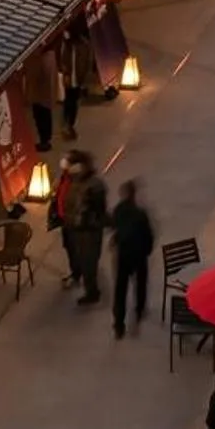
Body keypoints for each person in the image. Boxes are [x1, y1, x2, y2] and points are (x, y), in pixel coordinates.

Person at [60, 153, 109, 304]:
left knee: (89, 261)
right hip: (73, 226)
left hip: (88, 231)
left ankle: (92, 293)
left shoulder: (94, 185)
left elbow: (98, 211)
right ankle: (77, 274)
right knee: (77, 255)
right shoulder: (73, 180)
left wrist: (83, 219)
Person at [109, 179, 155, 338]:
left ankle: (118, 324)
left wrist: (116, 241)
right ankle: (139, 309)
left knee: (120, 290)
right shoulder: (140, 214)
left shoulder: (118, 211)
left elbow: (114, 228)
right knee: (140, 284)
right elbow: (149, 236)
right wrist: (147, 251)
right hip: (138, 255)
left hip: (123, 255)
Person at [61, 30, 102, 140]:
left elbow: (87, 63)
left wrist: (85, 80)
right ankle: (67, 122)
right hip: (70, 78)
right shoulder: (67, 45)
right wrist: (65, 73)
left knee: (72, 101)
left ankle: (69, 123)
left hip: (78, 78)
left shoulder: (84, 45)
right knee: (68, 100)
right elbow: (63, 61)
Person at [25, 45, 59, 152]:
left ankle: (44, 141)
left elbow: (33, 76)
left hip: (40, 96)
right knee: (46, 117)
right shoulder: (50, 56)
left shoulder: (40, 60)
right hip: (46, 95)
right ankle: (46, 139)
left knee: (41, 118)